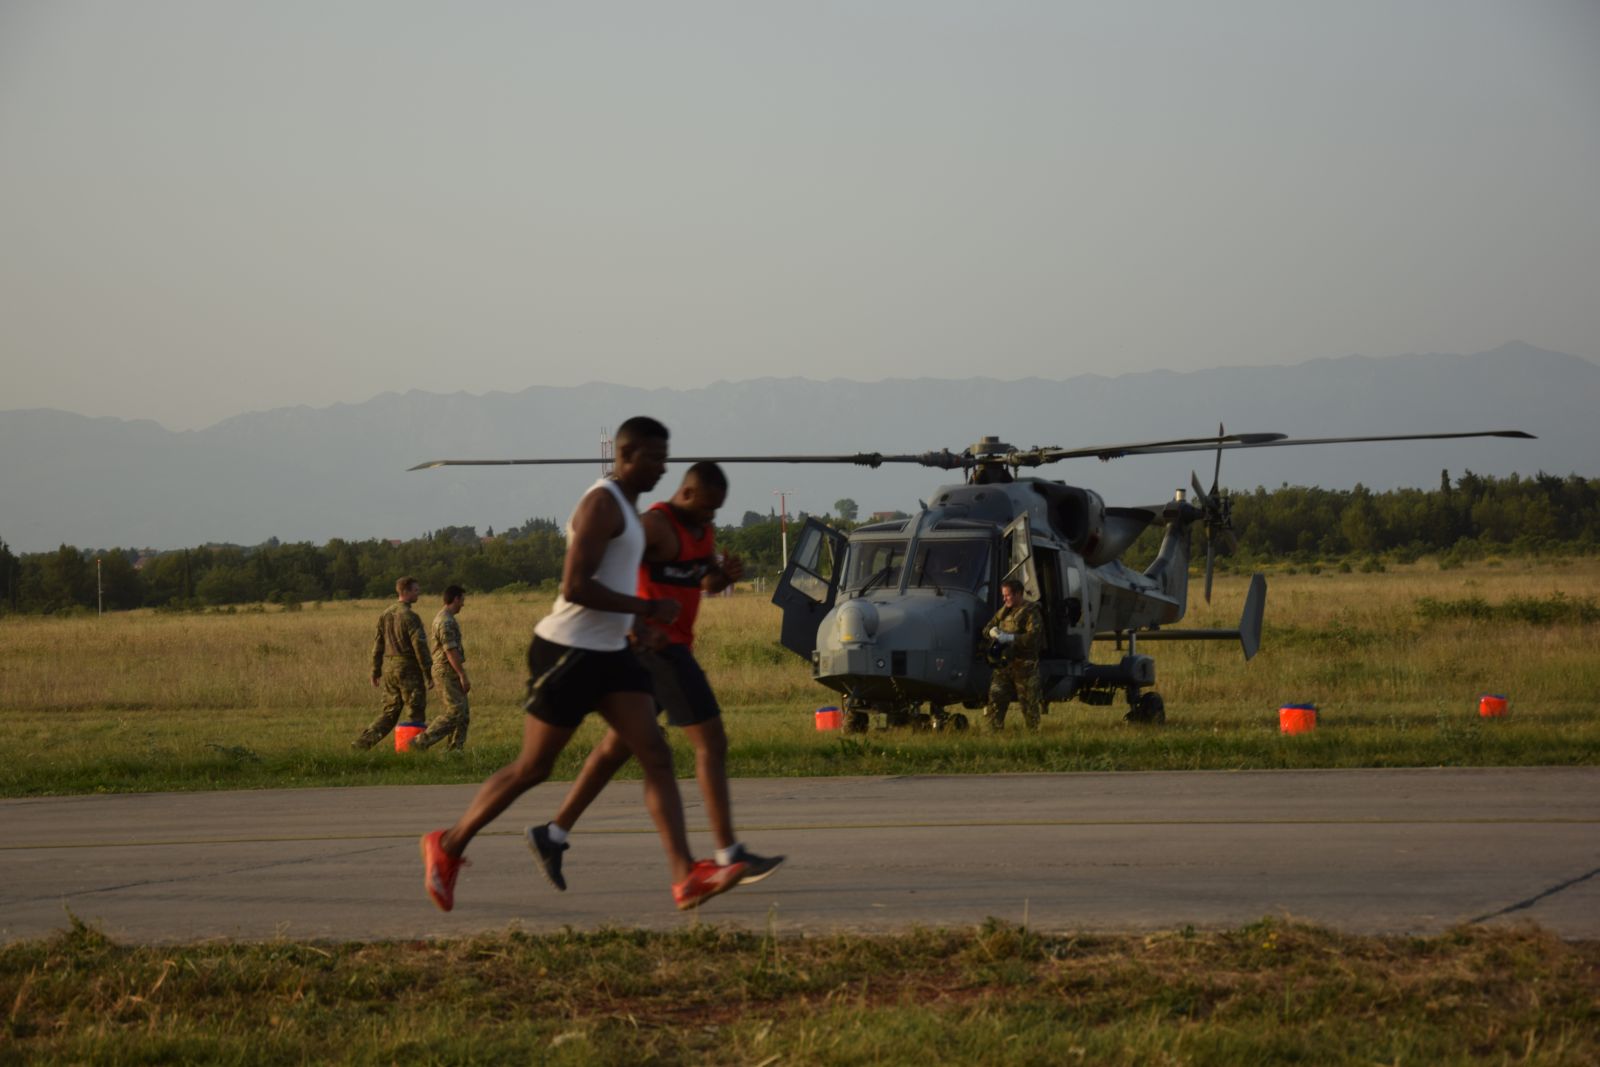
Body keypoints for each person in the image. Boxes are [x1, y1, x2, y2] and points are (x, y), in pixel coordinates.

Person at [419, 417, 748, 913]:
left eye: (666, 457)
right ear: (628, 453)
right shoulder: (601, 504)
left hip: (613, 652)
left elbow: (619, 580)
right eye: (656, 458)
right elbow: (575, 587)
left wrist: (638, 629)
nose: (663, 468)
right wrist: (646, 609)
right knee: (534, 767)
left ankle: (685, 876)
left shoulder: (631, 509)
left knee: (656, 755)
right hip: (568, 650)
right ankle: (447, 845)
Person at [526, 462, 784, 892]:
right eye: (706, 508)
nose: (711, 518)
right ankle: (729, 853)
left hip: (669, 645)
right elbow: (611, 561)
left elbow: (702, 583)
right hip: (658, 649)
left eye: (717, 511)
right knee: (711, 741)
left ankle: (552, 835)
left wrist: (723, 577)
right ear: (685, 495)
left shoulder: (701, 532)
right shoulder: (653, 526)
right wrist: (633, 619)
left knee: (615, 750)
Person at [353, 576, 433, 749]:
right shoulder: (410, 616)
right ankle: (411, 750)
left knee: (389, 713)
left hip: (389, 669)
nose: (418, 593)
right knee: (415, 712)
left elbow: (378, 646)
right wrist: (428, 673)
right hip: (408, 669)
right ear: (406, 592)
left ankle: (361, 744)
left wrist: (375, 671)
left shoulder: (385, 615)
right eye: (415, 590)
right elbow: (420, 646)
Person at [411, 585, 471, 752]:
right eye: (462, 600)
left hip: (449, 669)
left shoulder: (448, 618)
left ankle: (454, 752)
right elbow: (450, 650)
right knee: (455, 712)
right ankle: (420, 742)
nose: (463, 604)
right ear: (456, 599)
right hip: (446, 671)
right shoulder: (445, 621)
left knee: (463, 714)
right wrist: (462, 675)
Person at [982, 578, 1045, 732]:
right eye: (1003, 595)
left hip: (1025, 666)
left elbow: (1034, 637)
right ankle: (993, 735)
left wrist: (1011, 638)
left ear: (1018, 594)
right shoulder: (1004, 611)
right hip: (1004, 666)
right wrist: (992, 632)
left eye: (1007, 595)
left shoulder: (1031, 611)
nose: (1004, 599)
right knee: (996, 699)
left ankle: (1033, 736)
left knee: (1029, 705)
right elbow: (987, 628)